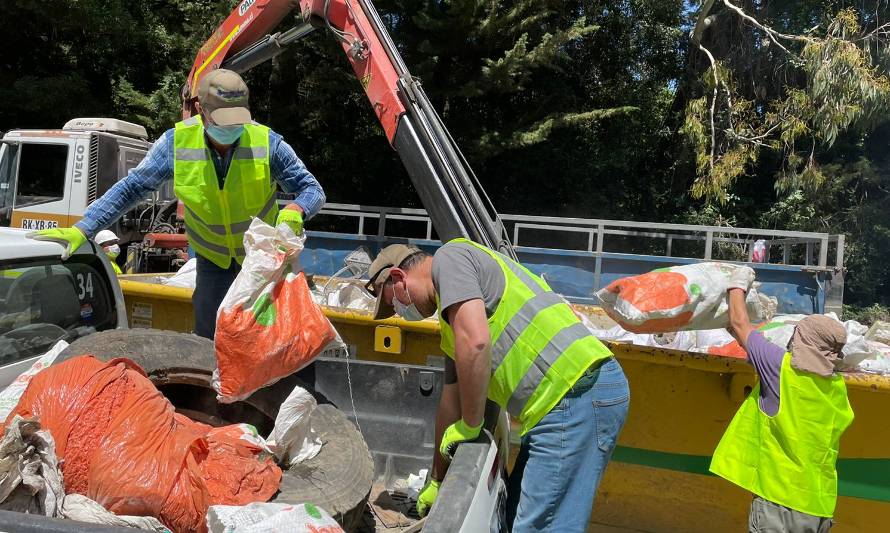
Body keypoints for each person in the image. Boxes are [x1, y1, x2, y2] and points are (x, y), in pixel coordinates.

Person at [29, 69, 325, 339]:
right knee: (212, 340)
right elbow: (132, 188)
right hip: (213, 262)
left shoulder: (267, 143)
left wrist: (296, 209)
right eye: (223, 120)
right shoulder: (176, 144)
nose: (231, 127)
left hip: (261, 261)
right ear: (200, 109)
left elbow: (312, 189)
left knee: (267, 338)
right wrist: (85, 227)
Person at [366, 239, 629, 531]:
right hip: (561, 404)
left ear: (399, 277)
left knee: (538, 527)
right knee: (517, 514)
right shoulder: (452, 321)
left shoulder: (450, 258)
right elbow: (449, 403)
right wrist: (437, 480)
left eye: (393, 302)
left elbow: (477, 345)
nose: (400, 312)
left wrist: (471, 423)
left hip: (575, 394)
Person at [710, 269, 854, 533]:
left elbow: (740, 324)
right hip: (818, 505)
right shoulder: (837, 387)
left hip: (780, 502)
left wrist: (736, 284)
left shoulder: (780, 368)